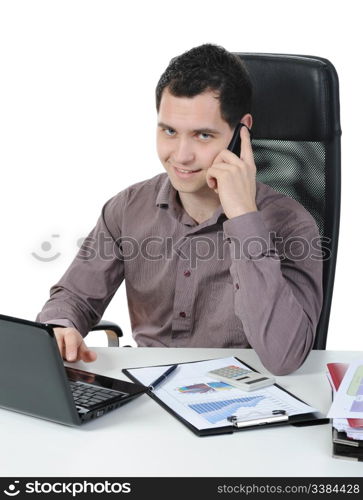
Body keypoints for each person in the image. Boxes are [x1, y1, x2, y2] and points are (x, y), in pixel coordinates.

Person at [37, 44, 323, 375]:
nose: (181, 155)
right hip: (150, 396)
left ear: (241, 131)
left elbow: (284, 358)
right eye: (169, 131)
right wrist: (60, 327)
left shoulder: (291, 224)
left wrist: (244, 217)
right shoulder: (128, 209)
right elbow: (74, 296)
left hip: (245, 404)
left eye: (203, 135)